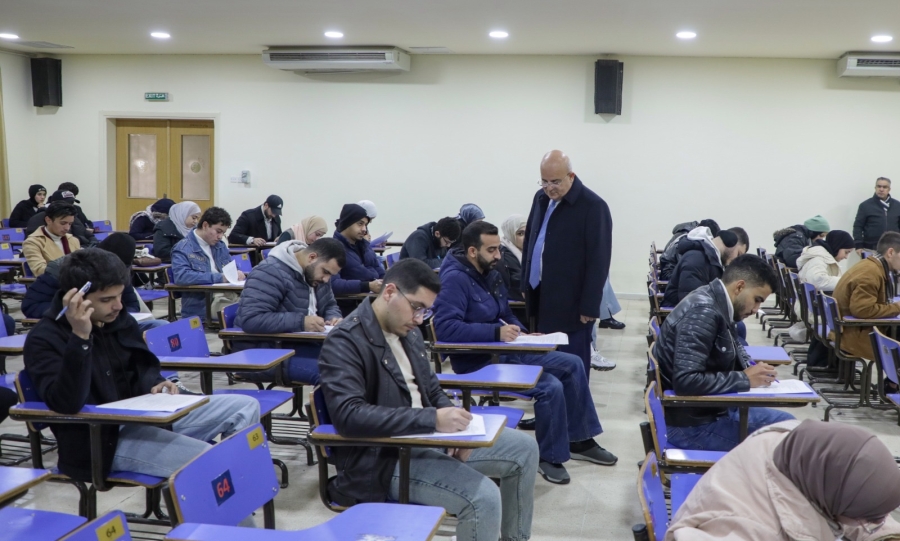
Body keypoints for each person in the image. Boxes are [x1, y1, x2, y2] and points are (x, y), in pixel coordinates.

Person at [318, 258, 538, 541]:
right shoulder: (345, 341)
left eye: (426, 311)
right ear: (389, 292)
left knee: (524, 449)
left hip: (426, 439)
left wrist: (455, 431)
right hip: (383, 458)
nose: (420, 319)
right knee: (483, 497)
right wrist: (433, 419)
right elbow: (349, 416)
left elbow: (432, 391)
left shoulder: (407, 331)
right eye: (416, 307)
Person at [23, 249, 260, 500]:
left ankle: (239, 488)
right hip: (101, 440)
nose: (118, 305)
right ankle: (233, 498)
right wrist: (80, 337)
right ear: (75, 299)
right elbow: (67, 403)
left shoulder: (118, 320)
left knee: (245, 406)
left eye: (119, 296)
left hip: (146, 417)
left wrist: (156, 382)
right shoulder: (44, 339)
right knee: (210, 462)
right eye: (106, 299)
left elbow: (142, 364)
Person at [433, 221, 616, 485]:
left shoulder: (490, 272)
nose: (498, 255)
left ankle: (580, 439)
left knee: (574, 363)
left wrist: (523, 334)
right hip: (479, 360)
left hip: (505, 350)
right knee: (549, 386)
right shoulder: (455, 280)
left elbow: (505, 313)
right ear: (472, 251)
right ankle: (549, 457)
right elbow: (446, 328)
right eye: (491, 250)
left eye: (498, 248)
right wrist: (495, 333)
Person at [666, 419, 900, 541]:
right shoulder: (749, 530)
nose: (872, 523)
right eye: (868, 519)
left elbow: (854, 480)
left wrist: (888, 535)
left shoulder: (796, 445)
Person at [653, 254, 793, 451]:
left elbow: (731, 349)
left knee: (788, 425)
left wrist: (750, 367)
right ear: (740, 287)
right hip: (691, 426)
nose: (756, 309)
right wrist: (744, 378)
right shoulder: (703, 312)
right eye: (757, 300)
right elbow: (686, 381)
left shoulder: (715, 300)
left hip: (703, 412)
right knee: (788, 434)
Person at [522, 150, 612, 378]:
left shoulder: (593, 206)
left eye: (555, 182)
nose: (549, 188)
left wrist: (589, 305)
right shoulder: (540, 199)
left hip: (572, 304)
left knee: (572, 368)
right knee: (544, 367)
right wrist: (525, 282)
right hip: (539, 296)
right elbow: (531, 241)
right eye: (544, 181)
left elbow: (599, 260)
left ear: (571, 176)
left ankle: (574, 404)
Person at [232, 238, 345, 386]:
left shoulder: (317, 273)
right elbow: (251, 319)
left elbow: (329, 304)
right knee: (335, 376)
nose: (326, 279)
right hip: (265, 351)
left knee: (356, 364)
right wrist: (301, 322)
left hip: (300, 344)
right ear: (312, 257)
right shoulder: (269, 272)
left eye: (330, 275)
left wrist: (334, 317)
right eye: (326, 272)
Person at [832, 231, 900, 362]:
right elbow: (863, 310)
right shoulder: (870, 273)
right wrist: (897, 307)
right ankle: (892, 375)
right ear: (890, 253)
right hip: (855, 335)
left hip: (850, 330)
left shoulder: (871, 265)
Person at [171, 206, 245, 322]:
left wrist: (237, 272)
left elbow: (230, 267)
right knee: (249, 312)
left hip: (228, 295)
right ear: (205, 225)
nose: (220, 237)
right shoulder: (183, 248)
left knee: (261, 305)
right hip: (204, 305)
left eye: (223, 233)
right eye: (218, 231)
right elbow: (182, 276)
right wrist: (220, 277)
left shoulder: (220, 245)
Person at [662, 225, 749, 308]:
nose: (735, 260)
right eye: (738, 254)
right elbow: (692, 303)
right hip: (679, 314)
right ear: (730, 242)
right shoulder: (696, 259)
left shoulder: (713, 261)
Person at [330, 203, 384, 296]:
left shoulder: (365, 246)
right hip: (352, 302)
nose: (364, 229)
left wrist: (388, 281)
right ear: (347, 223)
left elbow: (377, 268)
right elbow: (333, 284)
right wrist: (367, 286)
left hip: (373, 298)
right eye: (360, 224)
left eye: (365, 225)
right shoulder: (333, 249)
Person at [22, 200, 81, 276]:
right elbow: (40, 271)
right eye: (63, 223)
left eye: (70, 224)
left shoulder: (73, 240)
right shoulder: (32, 242)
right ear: (48, 220)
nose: (67, 228)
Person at [26, 190, 98, 248]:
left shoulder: (72, 217)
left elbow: (87, 234)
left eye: (72, 203)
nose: (70, 206)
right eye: (66, 204)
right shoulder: (37, 219)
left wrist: (92, 245)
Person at [853, 177, 900, 253]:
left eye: (884, 187)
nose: (881, 189)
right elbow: (858, 226)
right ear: (875, 188)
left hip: (893, 249)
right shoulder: (865, 205)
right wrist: (858, 245)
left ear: (889, 189)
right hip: (870, 248)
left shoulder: (898, 206)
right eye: (879, 186)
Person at [498, 214, 526, 302]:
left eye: (529, 232)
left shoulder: (524, 252)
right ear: (509, 234)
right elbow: (519, 286)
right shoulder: (506, 256)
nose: (527, 238)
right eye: (520, 233)